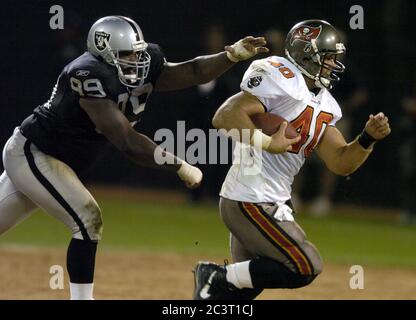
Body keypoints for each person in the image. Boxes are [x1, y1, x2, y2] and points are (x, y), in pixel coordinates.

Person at [0, 15, 267, 300]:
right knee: (87, 221)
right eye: (126, 54)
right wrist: (178, 164)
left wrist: (232, 55)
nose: (136, 60)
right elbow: (127, 141)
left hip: (54, 160)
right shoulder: (87, 75)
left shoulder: (143, 62)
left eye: (138, 52)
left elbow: (193, 71)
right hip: (34, 152)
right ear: (103, 53)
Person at [192, 19, 391, 300]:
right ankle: (215, 275)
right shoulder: (281, 77)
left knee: (237, 292)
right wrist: (268, 143)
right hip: (249, 197)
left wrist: (367, 138)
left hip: (273, 199)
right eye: (329, 58)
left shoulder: (325, 103)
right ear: (306, 55)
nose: (334, 65)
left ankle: (216, 285)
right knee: (305, 265)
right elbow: (224, 116)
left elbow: (340, 161)